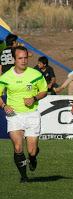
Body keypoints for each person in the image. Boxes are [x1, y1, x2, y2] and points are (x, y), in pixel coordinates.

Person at [0, 46, 48, 182]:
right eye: (20, 58)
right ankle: (24, 177)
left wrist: (34, 98)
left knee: (32, 151)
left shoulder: (35, 74)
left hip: (32, 115)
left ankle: (32, 158)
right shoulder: (5, 77)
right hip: (14, 115)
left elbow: (44, 90)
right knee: (18, 147)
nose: (23, 61)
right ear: (14, 59)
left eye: (25, 58)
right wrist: (4, 105)